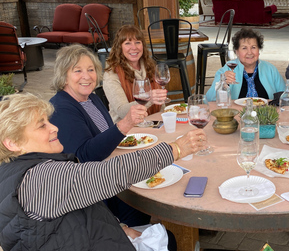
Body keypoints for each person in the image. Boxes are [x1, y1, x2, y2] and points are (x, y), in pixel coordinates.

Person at [0, 93, 207, 250]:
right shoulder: (37, 180)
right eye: (41, 126)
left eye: (48, 121)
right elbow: (113, 173)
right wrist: (176, 149)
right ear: (12, 143)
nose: (54, 127)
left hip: (84, 238)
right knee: (169, 240)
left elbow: (78, 205)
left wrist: (121, 226)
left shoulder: (15, 171)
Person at [49, 44, 160, 226]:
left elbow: (107, 136)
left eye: (91, 69)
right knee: (144, 201)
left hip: (110, 176)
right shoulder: (61, 108)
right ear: (64, 77)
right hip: (94, 195)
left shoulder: (91, 98)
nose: (87, 76)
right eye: (77, 71)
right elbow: (84, 156)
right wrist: (124, 125)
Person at [103, 24, 167, 123]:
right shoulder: (112, 74)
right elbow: (122, 111)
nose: (134, 47)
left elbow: (161, 104)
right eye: (127, 43)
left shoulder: (150, 66)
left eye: (137, 42)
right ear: (119, 47)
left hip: (153, 123)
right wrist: (149, 98)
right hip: (126, 130)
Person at [206, 28, 285, 101]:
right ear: (236, 51)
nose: (249, 52)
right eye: (244, 48)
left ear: (259, 50)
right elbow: (209, 99)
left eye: (253, 47)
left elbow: (284, 97)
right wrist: (222, 83)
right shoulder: (227, 69)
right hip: (236, 114)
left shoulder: (270, 69)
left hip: (266, 114)